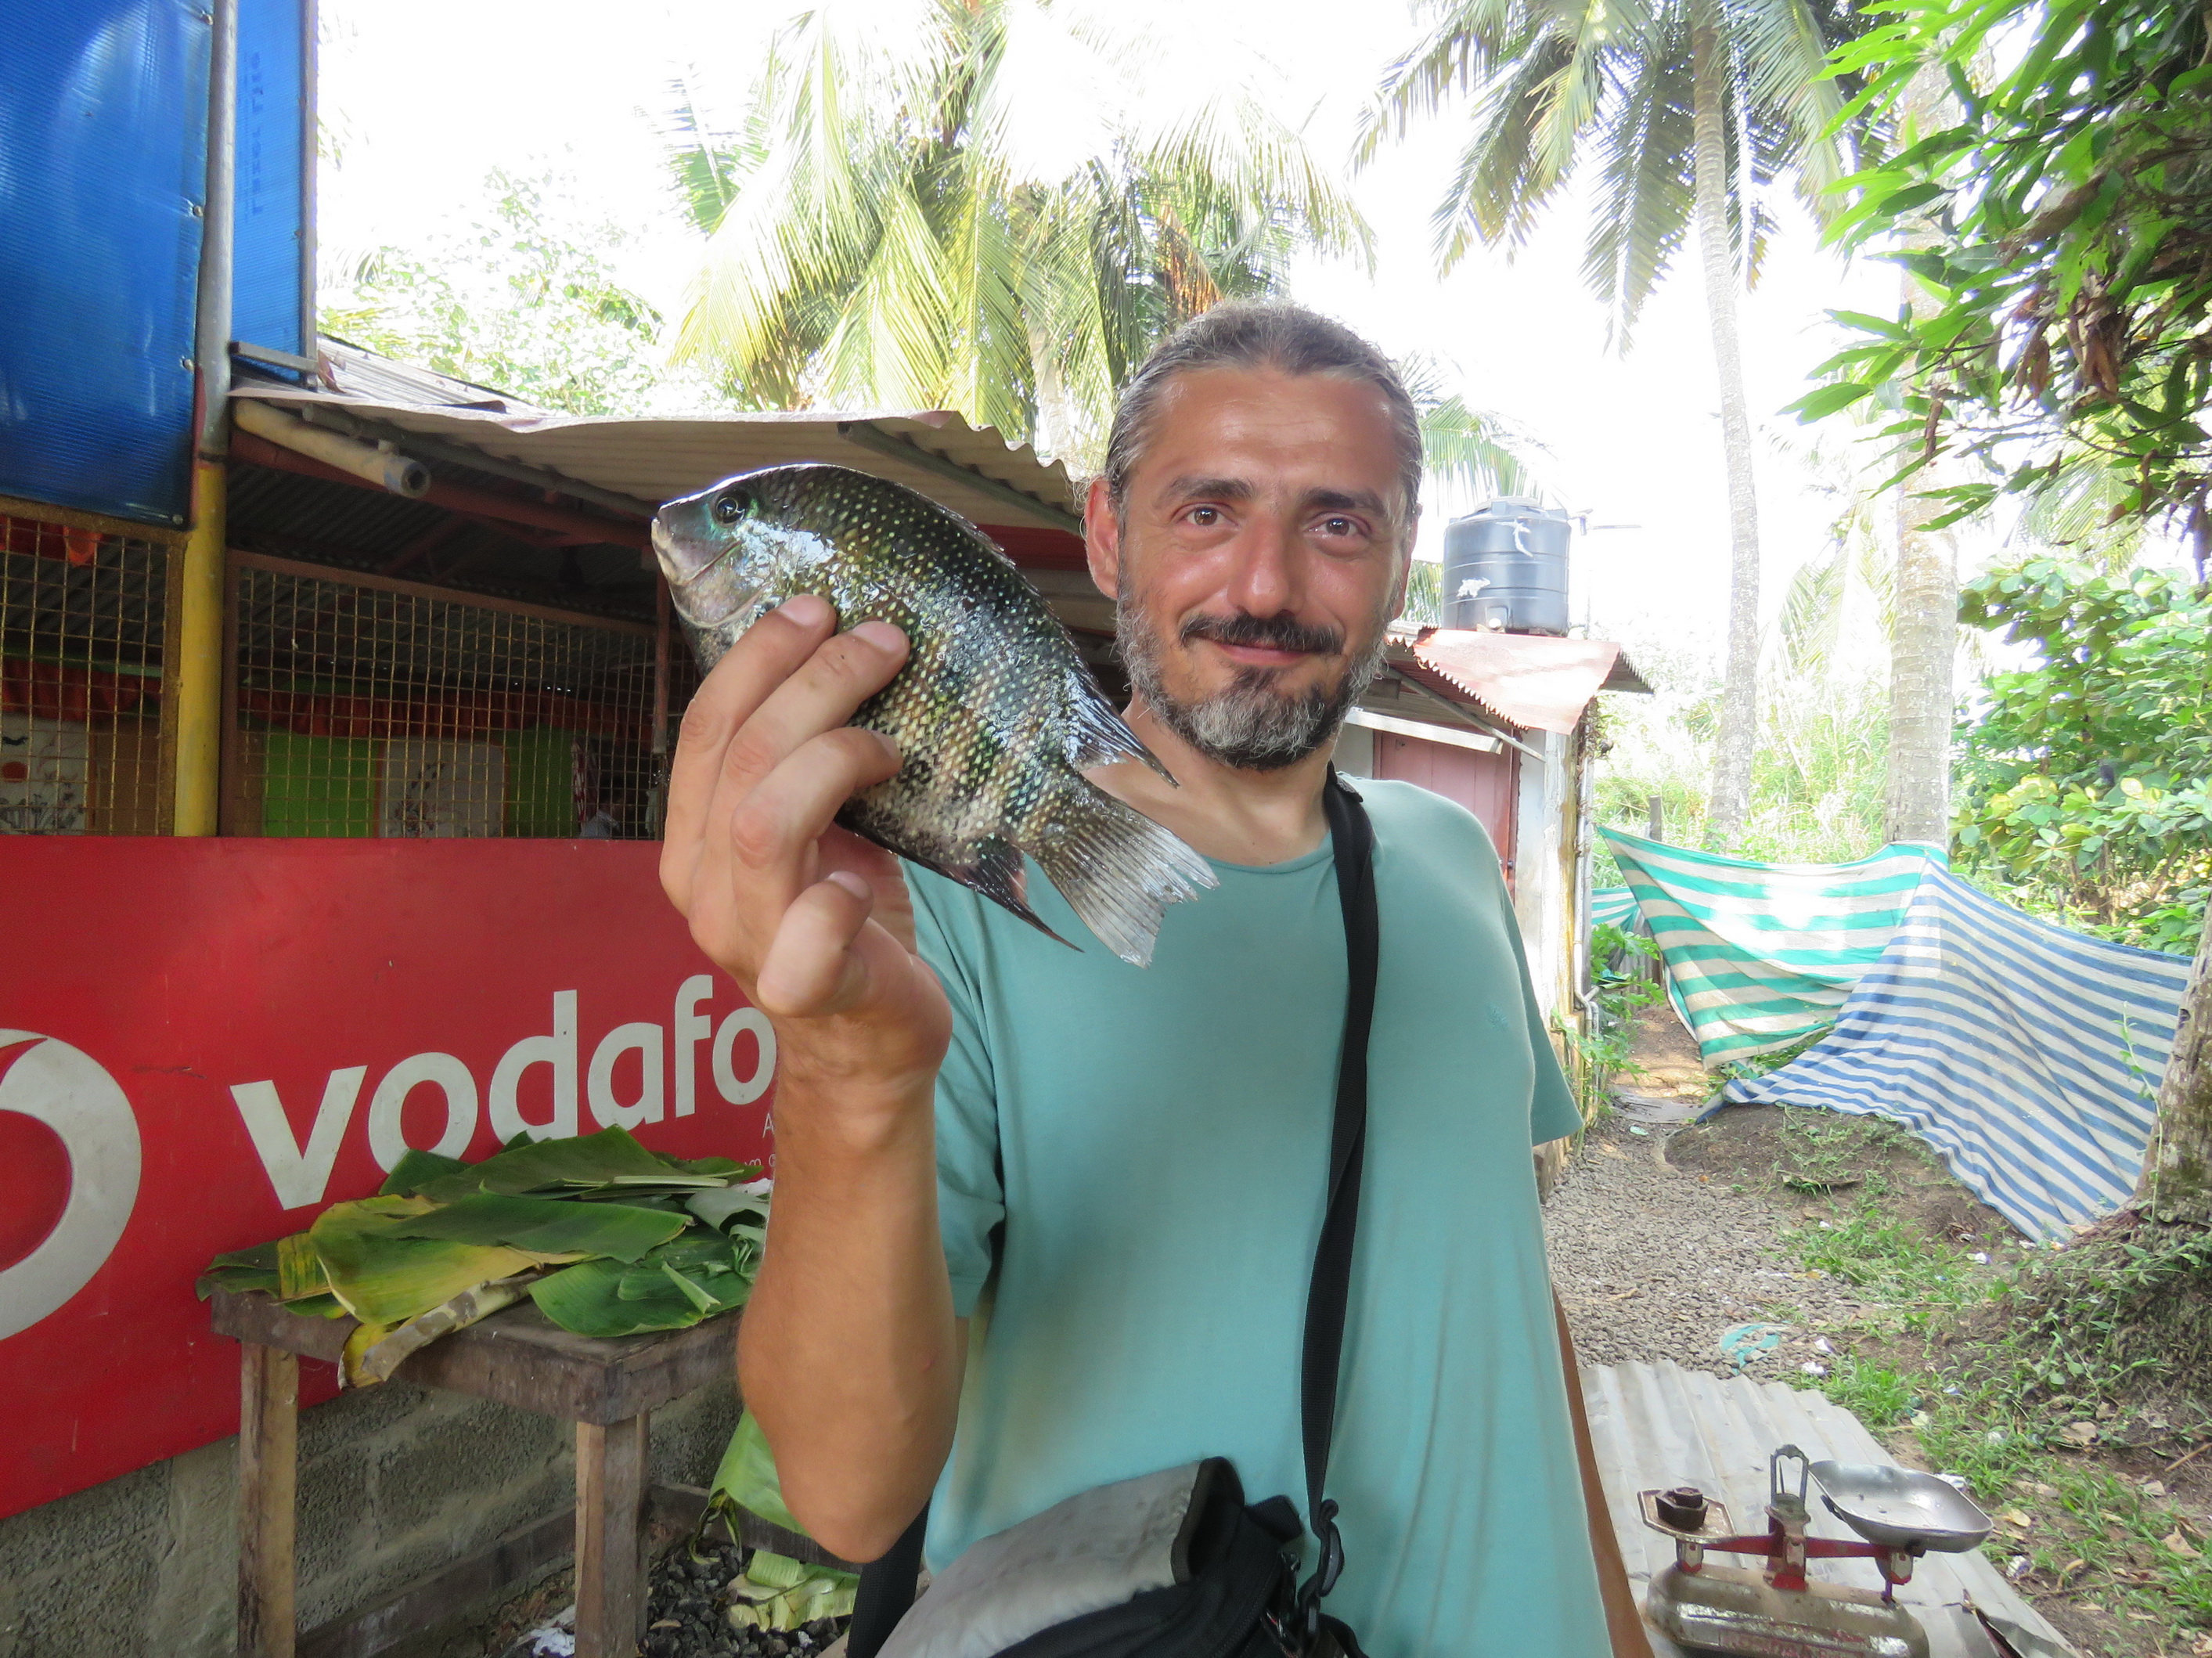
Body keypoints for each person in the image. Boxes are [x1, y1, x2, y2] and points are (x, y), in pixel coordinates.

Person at [659, 303, 1610, 1654]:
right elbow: (847, 1493)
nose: (1267, 585)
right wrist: (848, 1068)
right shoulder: (937, 912)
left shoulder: (1452, 854)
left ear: (1399, 561)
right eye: (1207, 511)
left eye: (1336, 523)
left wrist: (1611, 1615)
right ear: (1108, 531)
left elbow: (1504, 1282)